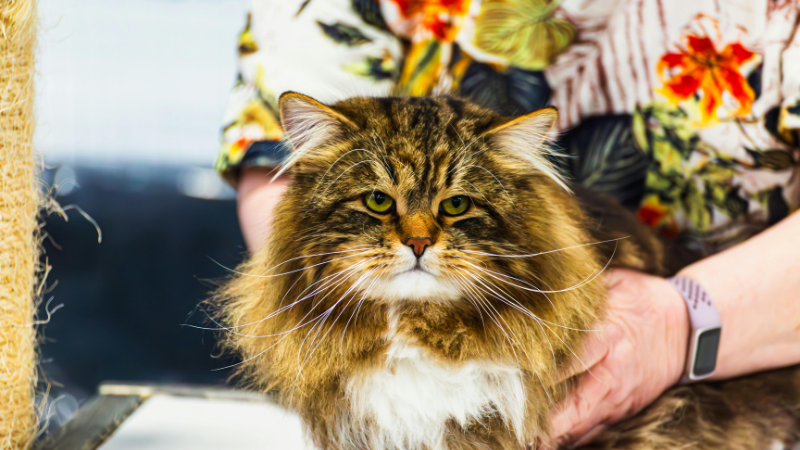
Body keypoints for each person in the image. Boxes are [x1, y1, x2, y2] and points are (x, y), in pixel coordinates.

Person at [217, 0, 800, 446]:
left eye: (442, 213)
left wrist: (678, 325)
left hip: (753, 339)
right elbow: (280, 156)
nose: (416, 238)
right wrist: (327, 318)